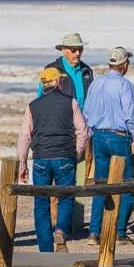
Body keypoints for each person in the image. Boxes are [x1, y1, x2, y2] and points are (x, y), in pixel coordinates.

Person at [16, 65, 90, 252]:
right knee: (66, 197)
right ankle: (61, 230)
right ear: (58, 82)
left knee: (41, 204)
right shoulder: (70, 102)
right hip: (65, 156)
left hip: (41, 158)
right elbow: (83, 131)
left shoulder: (33, 106)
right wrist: (77, 152)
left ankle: (45, 249)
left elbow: (25, 135)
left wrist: (22, 163)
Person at [39, 32, 95, 235]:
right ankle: (55, 224)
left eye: (80, 49)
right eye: (73, 49)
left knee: (77, 178)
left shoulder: (87, 71)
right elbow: (41, 100)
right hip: (59, 131)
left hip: (81, 131)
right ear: (63, 50)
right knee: (56, 180)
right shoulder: (52, 70)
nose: (77, 53)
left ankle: (74, 225)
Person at [82, 46, 134, 239]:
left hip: (99, 135)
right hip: (119, 136)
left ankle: (95, 230)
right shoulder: (124, 86)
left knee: (101, 183)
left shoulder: (97, 84)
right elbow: (131, 115)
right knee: (126, 184)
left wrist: (91, 134)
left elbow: (87, 112)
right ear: (123, 65)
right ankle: (119, 231)